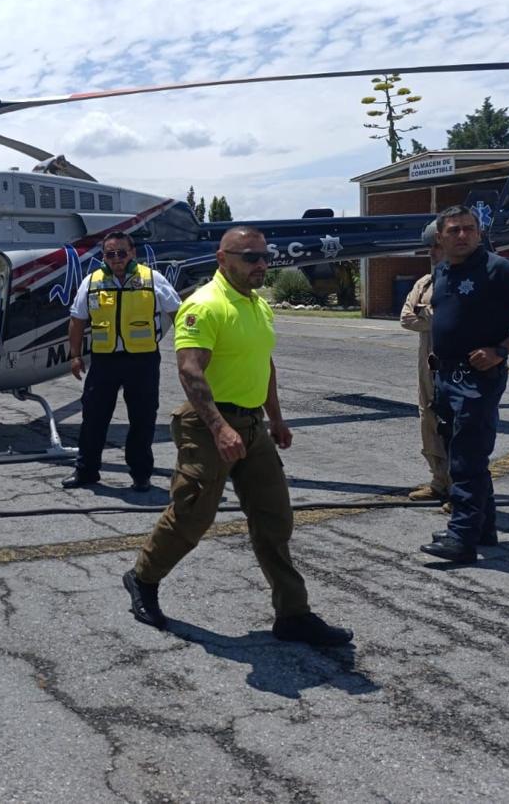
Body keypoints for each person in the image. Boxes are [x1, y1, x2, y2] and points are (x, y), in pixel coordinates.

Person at [122, 226, 354, 647]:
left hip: (251, 426)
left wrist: (277, 419)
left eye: (265, 257)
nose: (261, 264)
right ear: (222, 258)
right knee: (192, 517)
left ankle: (293, 614)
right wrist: (219, 427)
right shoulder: (204, 306)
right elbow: (190, 371)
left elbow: (263, 365)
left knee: (275, 519)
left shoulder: (258, 307)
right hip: (209, 424)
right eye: (250, 257)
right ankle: (142, 579)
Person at [420, 205, 509, 563]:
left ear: (479, 233)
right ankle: (482, 528)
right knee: (459, 453)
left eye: (468, 229)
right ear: (440, 237)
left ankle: (461, 540)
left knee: (467, 459)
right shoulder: (443, 270)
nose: (462, 235)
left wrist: (501, 350)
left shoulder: (499, 269)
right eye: (454, 230)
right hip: (446, 376)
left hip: (478, 378)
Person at [64, 230, 181, 490]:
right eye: (110, 254)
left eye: (121, 253)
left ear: (133, 253)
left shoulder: (153, 279)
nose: (116, 258)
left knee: (142, 419)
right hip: (104, 361)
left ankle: (141, 474)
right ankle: (86, 472)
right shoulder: (91, 282)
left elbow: (177, 313)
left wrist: (187, 349)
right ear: (104, 256)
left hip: (143, 361)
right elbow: (77, 318)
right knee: (93, 418)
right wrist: (74, 355)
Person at [399, 222, 451, 503]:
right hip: (427, 363)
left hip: (457, 366)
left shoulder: (468, 281)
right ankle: (439, 480)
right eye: (429, 246)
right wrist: (438, 314)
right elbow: (407, 319)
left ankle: (461, 488)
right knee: (428, 418)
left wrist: (428, 313)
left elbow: (460, 317)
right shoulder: (425, 283)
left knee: (455, 425)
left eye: (436, 246)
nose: (431, 252)